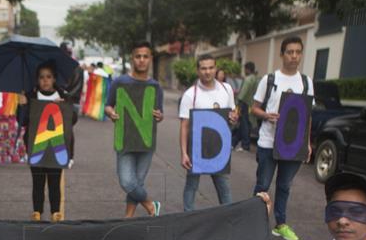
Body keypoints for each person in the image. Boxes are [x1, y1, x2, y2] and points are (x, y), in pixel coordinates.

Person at [251, 36, 314, 240]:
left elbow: (308, 115)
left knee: (285, 186)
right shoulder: (269, 79)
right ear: (282, 54)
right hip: (268, 142)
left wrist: (307, 143)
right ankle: (254, 225)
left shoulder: (306, 82)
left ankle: (280, 224)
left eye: (298, 52)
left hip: (293, 145)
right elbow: (254, 107)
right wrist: (266, 115)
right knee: (263, 185)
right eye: (290, 52)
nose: (294, 56)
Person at [105, 41, 164, 218]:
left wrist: (159, 116)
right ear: (133, 58)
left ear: (150, 59)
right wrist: (111, 113)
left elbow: (159, 113)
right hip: (125, 138)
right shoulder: (119, 82)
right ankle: (150, 205)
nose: (141, 60)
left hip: (146, 141)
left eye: (145, 56)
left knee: (137, 182)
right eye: (138, 56)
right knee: (126, 181)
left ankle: (128, 217)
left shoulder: (156, 86)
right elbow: (108, 106)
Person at [18, 62, 76, 222]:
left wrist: (63, 106)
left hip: (56, 147)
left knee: (54, 181)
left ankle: (55, 211)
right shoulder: (30, 96)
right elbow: (22, 121)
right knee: (37, 181)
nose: (45, 80)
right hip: (37, 147)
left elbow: (73, 119)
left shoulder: (63, 95)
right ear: (37, 80)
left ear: (54, 79)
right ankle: (37, 211)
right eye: (42, 77)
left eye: (49, 77)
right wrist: (22, 106)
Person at [178, 54, 237, 211]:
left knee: (224, 187)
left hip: (219, 148)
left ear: (216, 68)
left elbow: (232, 113)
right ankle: (188, 217)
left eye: (211, 67)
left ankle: (229, 219)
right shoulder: (191, 94)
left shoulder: (227, 89)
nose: (207, 71)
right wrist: (184, 153)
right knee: (191, 185)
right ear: (198, 70)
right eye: (203, 68)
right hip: (196, 149)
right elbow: (184, 125)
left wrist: (234, 118)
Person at [233, 62, 257, 151]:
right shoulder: (256, 79)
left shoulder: (248, 79)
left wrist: (237, 104)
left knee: (245, 125)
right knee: (244, 125)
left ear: (247, 69)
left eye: (245, 69)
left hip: (245, 104)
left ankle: (245, 145)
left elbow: (243, 93)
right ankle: (233, 143)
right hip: (253, 104)